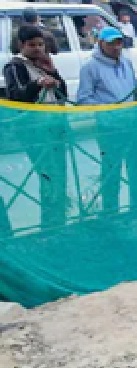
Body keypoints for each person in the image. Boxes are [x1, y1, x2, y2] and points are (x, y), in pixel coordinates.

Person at [3, 25, 68, 234]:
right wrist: (38, 83)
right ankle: (49, 226)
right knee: (48, 177)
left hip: (55, 127)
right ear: (21, 45)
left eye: (41, 44)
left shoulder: (43, 63)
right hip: (35, 132)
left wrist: (52, 72)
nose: (38, 49)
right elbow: (17, 96)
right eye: (32, 45)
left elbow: (63, 93)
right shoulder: (14, 67)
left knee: (60, 175)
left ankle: (59, 222)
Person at [78, 27, 137, 214]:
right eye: (111, 43)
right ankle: (111, 211)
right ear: (101, 43)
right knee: (111, 170)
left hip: (132, 123)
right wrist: (109, 110)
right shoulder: (90, 67)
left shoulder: (126, 62)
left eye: (119, 42)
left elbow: (134, 89)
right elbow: (83, 98)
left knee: (136, 167)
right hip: (110, 127)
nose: (116, 47)